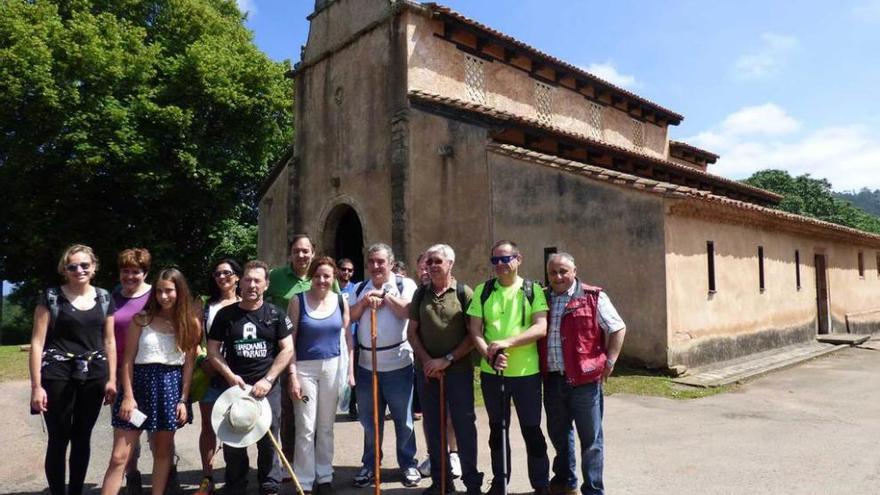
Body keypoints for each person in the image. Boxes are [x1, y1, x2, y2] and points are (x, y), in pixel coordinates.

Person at [100, 268, 201, 495]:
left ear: (180, 292)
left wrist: (183, 400)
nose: (163, 296)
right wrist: (127, 396)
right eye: (158, 291)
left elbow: (189, 366)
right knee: (119, 456)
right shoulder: (141, 320)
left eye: (169, 291)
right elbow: (127, 360)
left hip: (169, 389)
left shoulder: (191, 323)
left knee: (162, 452)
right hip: (137, 388)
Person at [29, 244, 117, 495]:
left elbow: (109, 340)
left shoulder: (104, 297)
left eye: (84, 265)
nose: (79, 270)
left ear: (94, 267)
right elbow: (37, 342)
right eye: (73, 266)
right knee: (58, 437)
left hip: (94, 374)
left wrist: (111, 378)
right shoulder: (51, 297)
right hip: (57, 374)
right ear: (64, 270)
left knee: (82, 437)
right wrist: (36, 386)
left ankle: (76, 490)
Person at [467, 240, 551, 495]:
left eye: (506, 259)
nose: (501, 265)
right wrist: (490, 356)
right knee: (497, 430)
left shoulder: (532, 289)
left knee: (532, 430)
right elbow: (475, 330)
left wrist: (506, 342)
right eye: (496, 261)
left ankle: (540, 484)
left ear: (519, 259)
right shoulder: (483, 290)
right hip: (493, 374)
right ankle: (500, 482)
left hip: (526, 374)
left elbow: (540, 327)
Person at [540, 254, 626, 495]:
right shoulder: (542, 298)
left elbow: (617, 327)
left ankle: (593, 489)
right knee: (559, 436)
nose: (558, 277)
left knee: (591, 441)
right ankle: (566, 482)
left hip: (585, 381)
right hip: (553, 379)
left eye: (563, 271)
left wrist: (610, 360)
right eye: (553, 272)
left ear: (574, 271)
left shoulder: (593, 296)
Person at [208, 260, 294, 495]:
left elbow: (287, 349)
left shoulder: (276, 314)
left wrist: (268, 380)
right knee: (234, 440)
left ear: (266, 285)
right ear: (240, 281)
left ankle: (269, 483)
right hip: (235, 387)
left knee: (268, 438)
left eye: (257, 280)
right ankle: (236, 484)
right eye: (247, 279)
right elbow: (213, 350)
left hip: (268, 386)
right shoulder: (225, 315)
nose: (252, 285)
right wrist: (229, 376)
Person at [408, 244, 482, 495]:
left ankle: (472, 483)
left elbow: (473, 336)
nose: (432, 266)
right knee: (433, 427)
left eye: (437, 261)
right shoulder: (420, 294)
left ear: (450, 263)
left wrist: (446, 360)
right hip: (428, 373)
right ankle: (441, 482)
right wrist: (428, 361)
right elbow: (412, 332)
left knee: (464, 425)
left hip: (458, 372)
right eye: (429, 262)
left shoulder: (464, 293)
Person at [349, 243, 421, 488]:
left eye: (381, 261)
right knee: (370, 421)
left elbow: (408, 311)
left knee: (404, 419)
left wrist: (385, 296)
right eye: (372, 261)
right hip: (367, 365)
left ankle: (408, 463)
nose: (376, 266)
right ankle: (370, 464)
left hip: (398, 364)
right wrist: (365, 302)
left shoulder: (405, 284)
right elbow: (350, 316)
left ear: (391, 263)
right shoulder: (360, 287)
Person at [267, 234, 337, 464]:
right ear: (291, 253)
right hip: (281, 352)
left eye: (305, 250)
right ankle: (289, 460)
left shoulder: (324, 278)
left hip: (316, 353)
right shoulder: (275, 277)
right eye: (297, 250)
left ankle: (317, 462)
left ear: (313, 252)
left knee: (319, 417)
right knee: (289, 410)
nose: (301, 255)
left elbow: (338, 310)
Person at [288, 257, 355, 494]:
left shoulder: (340, 301)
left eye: (327, 276)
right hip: (305, 368)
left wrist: (350, 371)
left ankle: (325, 476)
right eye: (317, 276)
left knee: (326, 427)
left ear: (334, 278)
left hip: (333, 367)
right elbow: (290, 342)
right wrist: (293, 375)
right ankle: (304, 481)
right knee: (306, 427)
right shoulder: (298, 301)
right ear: (311, 277)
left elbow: (347, 339)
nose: (322, 280)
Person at [195, 258, 242, 495]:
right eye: (217, 274)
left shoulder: (246, 304)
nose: (221, 277)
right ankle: (207, 477)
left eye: (226, 273)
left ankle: (235, 476)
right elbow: (192, 339)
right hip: (209, 373)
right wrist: (203, 358)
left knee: (236, 424)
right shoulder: (204, 304)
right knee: (208, 426)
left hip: (236, 374)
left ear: (237, 276)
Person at [110, 248, 154, 495]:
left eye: (135, 271)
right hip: (121, 373)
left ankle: (166, 476)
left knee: (156, 432)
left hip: (151, 370)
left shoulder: (154, 297)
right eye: (125, 271)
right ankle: (132, 475)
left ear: (145, 273)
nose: (130, 276)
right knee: (127, 433)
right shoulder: (112, 299)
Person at [337, 257, 359, 419]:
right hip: (334, 337)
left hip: (352, 336)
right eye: (344, 269)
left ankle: (352, 407)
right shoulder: (331, 288)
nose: (346, 272)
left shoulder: (356, 289)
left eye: (350, 270)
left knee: (353, 374)